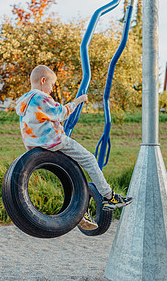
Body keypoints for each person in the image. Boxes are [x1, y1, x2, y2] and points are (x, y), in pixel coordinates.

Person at [16, 65, 134, 230]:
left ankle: (80, 212)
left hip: (33, 144)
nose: (52, 89)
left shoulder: (26, 100)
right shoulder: (41, 97)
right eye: (51, 84)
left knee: (72, 171)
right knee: (89, 159)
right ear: (43, 81)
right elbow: (62, 112)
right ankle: (108, 197)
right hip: (53, 141)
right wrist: (78, 101)